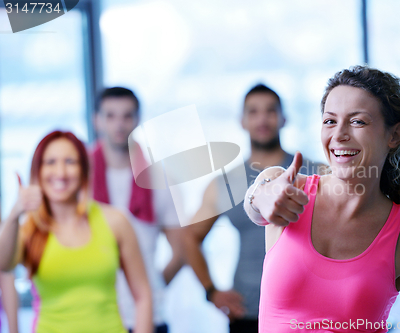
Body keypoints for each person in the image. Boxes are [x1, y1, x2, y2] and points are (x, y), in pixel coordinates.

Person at [244, 66, 400, 333]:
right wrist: (260, 197)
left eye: (357, 121)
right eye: (330, 121)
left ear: (394, 135)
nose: (338, 135)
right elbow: (256, 204)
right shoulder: (286, 189)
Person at [182, 84, 327, 332]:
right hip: (247, 312)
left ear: (283, 119)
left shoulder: (316, 173)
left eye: (270, 111)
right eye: (254, 112)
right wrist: (211, 291)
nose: (262, 119)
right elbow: (189, 237)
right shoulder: (226, 183)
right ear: (242, 121)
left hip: (308, 311)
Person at [0, 130, 152, 333]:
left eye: (70, 161)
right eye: (51, 162)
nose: (61, 172)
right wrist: (14, 215)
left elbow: (143, 295)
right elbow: (3, 264)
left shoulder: (115, 221)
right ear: (38, 171)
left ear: (83, 169)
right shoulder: (29, 228)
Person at [92, 87, 183, 333]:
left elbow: (181, 250)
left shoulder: (161, 179)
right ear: (97, 120)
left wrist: (153, 285)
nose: (119, 124)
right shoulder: (80, 180)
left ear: (138, 119)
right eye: (110, 116)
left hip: (149, 315)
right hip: (95, 316)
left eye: (127, 116)